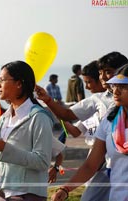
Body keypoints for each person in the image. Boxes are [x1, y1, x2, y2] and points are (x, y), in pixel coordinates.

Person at [35, 51, 128, 201]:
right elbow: (90, 164)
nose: (115, 90)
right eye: (114, 85)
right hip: (105, 169)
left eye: (122, 86)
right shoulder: (109, 120)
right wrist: (65, 189)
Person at [0, 61, 54, 200]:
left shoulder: (39, 117)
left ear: (19, 83)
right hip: (0, 193)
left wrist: (5, 148)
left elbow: (42, 161)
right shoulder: (3, 118)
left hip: (26, 194)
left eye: (2, 80)